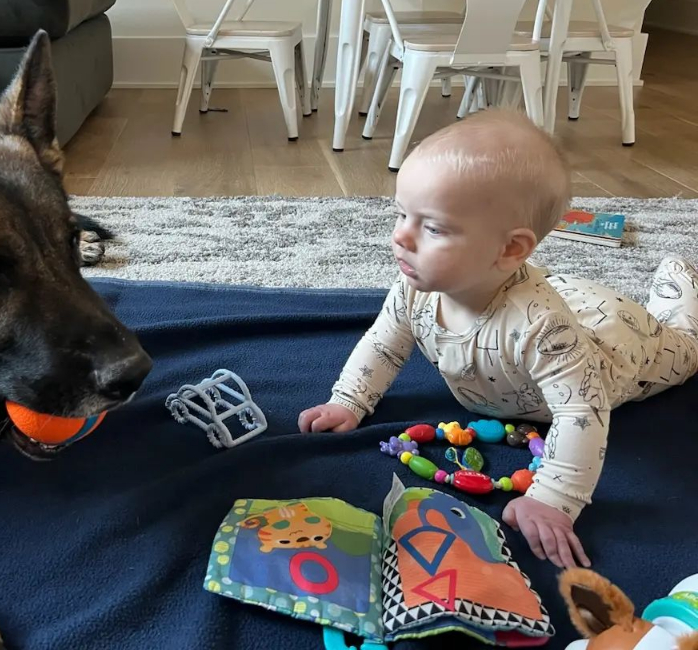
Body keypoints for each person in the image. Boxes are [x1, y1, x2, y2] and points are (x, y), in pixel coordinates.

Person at [298, 110, 698, 569]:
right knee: (557, 296)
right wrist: (349, 400)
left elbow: (581, 412)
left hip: (620, 349)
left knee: (685, 346)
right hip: (549, 300)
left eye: (432, 227)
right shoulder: (414, 289)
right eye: (402, 215)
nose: (401, 238)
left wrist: (553, 499)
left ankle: (680, 279)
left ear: (510, 249)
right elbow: (385, 343)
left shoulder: (546, 330)